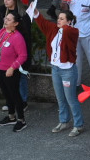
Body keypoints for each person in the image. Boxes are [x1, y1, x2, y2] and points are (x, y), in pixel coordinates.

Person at [33, 8, 84, 137]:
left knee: (71, 99)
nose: (58, 20)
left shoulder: (72, 31)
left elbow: (67, 30)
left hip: (68, 71)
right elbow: (44, 24)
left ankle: (78, 124)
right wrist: (35, 13)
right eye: (58, 18)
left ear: (69, 21)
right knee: (60, 98)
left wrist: (68, 24)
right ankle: (64, 121)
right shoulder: (55, 30)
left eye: (62, 19)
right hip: (55, 68)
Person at [0, 13, 28, 132]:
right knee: (7, 94)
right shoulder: (2, 32)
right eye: (5, 18)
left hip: (10, 71)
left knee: (15, 95)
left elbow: (23, 56)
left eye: (8, 19)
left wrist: (13, 67)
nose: (5, 20)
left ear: (15, 23)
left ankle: (21, 120)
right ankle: (11, 116)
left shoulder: (17, 37)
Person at [0, 0, 31, 112]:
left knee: (20, 77)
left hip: (18, 49)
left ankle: (23, 101)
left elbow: (27, 34)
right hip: (5, 51)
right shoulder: (2, 12)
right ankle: (11, 102)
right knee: (7, 80)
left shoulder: (22, 14)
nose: (5, 1)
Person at [67, 0, 90, 88]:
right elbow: (67, 10)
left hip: (88, 32)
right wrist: (63, 4)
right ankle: (76, 83)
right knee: (76, 61)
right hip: (74, 32)